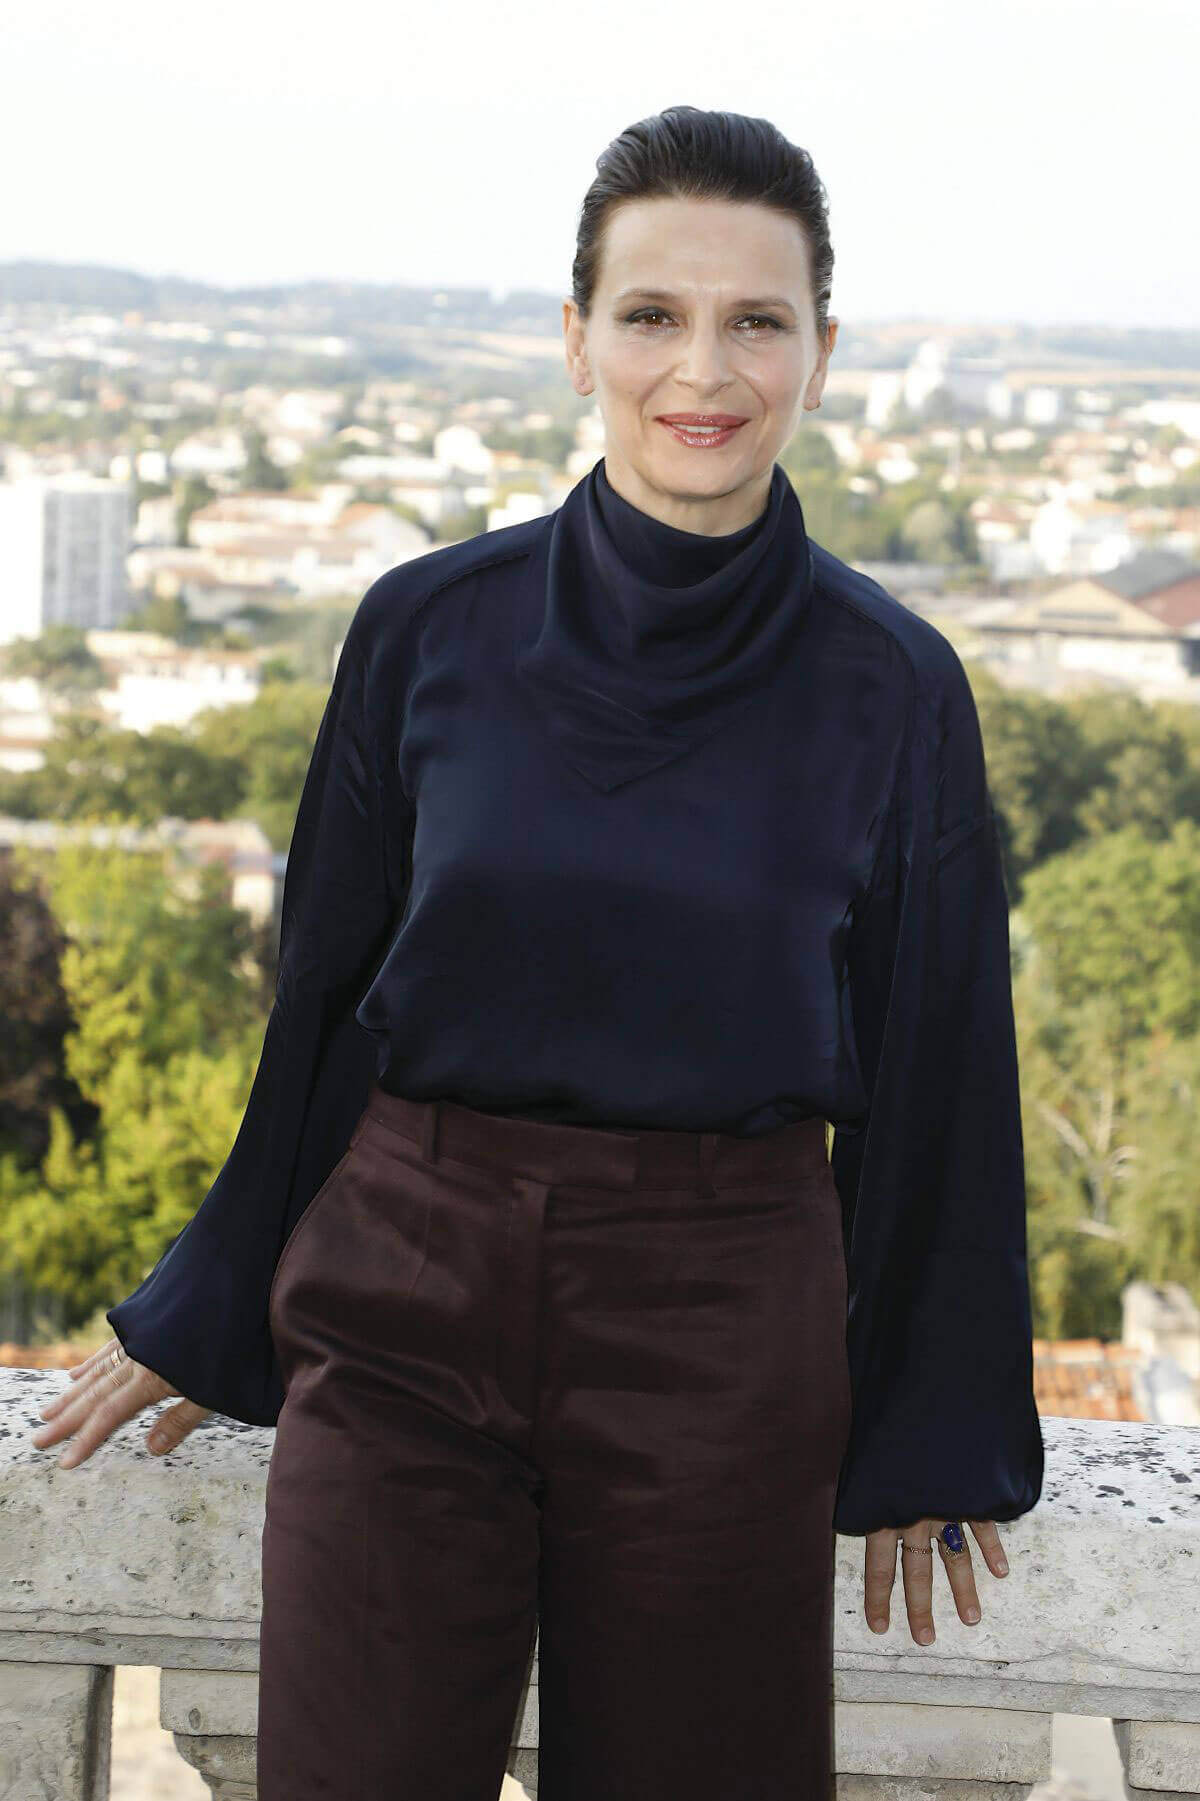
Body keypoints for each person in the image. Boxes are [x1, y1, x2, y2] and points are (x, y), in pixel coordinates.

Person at [32, 104, 1043, 1798]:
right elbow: (325, 1010)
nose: (699, 367)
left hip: (727, 1322)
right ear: (576, 338)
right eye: (651, 314)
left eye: (756, 319)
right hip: (401, 1302)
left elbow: (940, 1062)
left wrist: (927, 1420)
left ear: (822, 350)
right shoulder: (428, 628)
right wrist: (208, 1295)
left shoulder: (897, 686)